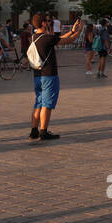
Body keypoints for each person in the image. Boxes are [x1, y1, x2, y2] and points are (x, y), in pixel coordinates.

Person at [25, 13, 82, 141]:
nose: (50, 23)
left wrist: (72, 30)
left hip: (37, 76)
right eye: (48, 21)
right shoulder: (46, 38)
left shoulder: (35, 37)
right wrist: (79, 31)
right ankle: (43, 132)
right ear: (44, 23)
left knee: (38, 103)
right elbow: (69, 41)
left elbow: (58, 38)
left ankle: (34, 131)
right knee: (47, 104)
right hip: (49, 75)